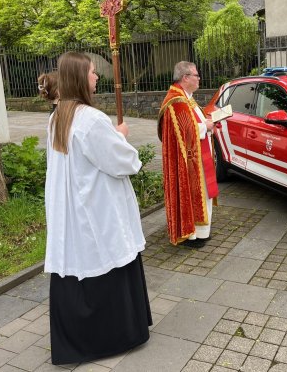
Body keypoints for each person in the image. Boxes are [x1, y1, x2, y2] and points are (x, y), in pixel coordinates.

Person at [44, 51, 151, 365]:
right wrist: (121, 137)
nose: (96, 77)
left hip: (73, 208)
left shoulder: (58, 116)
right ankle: (113, 336)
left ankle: (76, 340)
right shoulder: (90, 120)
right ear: (79, 78)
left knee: (79, 262)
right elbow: (124, 162)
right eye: (92, 72)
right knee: (107, 256)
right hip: (96, 207)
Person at [158, 61, 219, 248]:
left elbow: (192, 122)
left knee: (204, 193)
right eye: (196, 75)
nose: (199, 78)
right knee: (194, 194)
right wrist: (205, 127)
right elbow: (184, 132)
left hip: (199, 155)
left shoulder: (187, 98)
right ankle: (193, 235)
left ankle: (202, 231)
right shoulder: (176, 101)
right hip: (188, 160)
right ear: (185, 77)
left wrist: (207, 123)